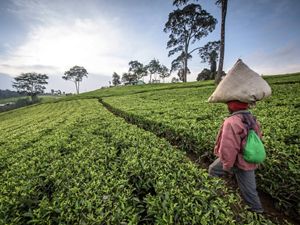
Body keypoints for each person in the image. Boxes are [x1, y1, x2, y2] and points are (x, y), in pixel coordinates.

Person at [208, 100, 264, 213]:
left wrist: (227, 165)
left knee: (213, 170)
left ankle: (216, 196)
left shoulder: (231, 121)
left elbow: (229, 147)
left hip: (237, 159)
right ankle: (257, 211)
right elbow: (258, 138)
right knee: (249, 189)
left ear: (231, 107)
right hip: (249, 159)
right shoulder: (252, 118)